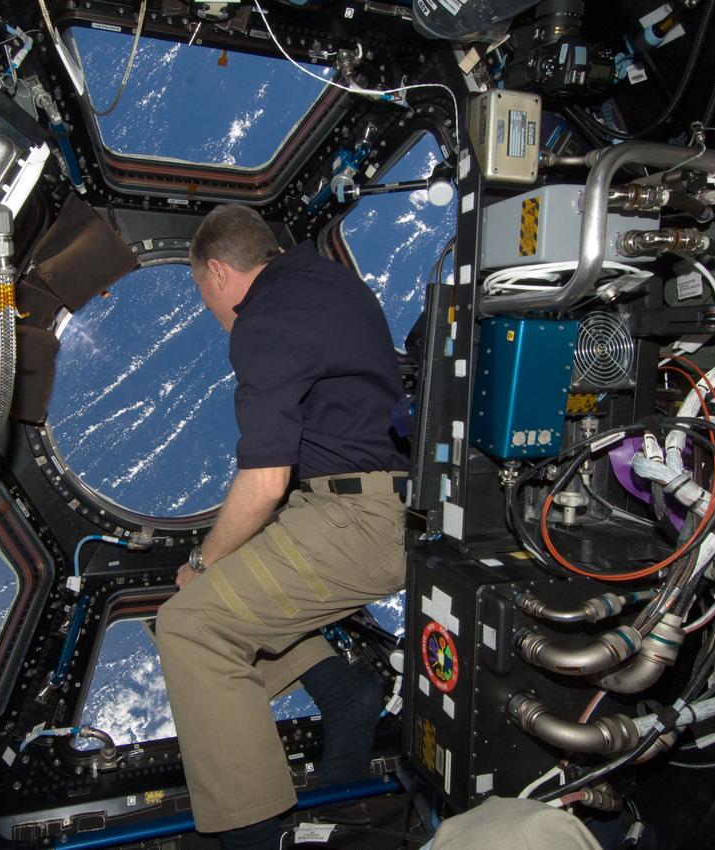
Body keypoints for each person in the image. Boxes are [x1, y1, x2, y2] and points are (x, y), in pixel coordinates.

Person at [155, 204, 410, 849]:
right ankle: (344, 691)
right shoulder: (327, 282)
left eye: (201, 290)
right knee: (226, 608)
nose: (209, 307)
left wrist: (204, 562)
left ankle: (252, 837)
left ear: (217, 272)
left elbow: (266, 478)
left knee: (189, 626)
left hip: (355, 519)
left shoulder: (262, 320)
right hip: (361, 501)